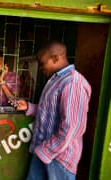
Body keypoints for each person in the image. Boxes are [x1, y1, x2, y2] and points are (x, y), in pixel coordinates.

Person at [14, 41, 91, 180]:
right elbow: (49, 111)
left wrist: (46, 151)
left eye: (42, 63)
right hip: (44, 152)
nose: (40, 67)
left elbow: (72, 126)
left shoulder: (73, 83)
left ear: (55, 58)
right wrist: (29, 107)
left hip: (59, 158)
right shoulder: (56, 80)